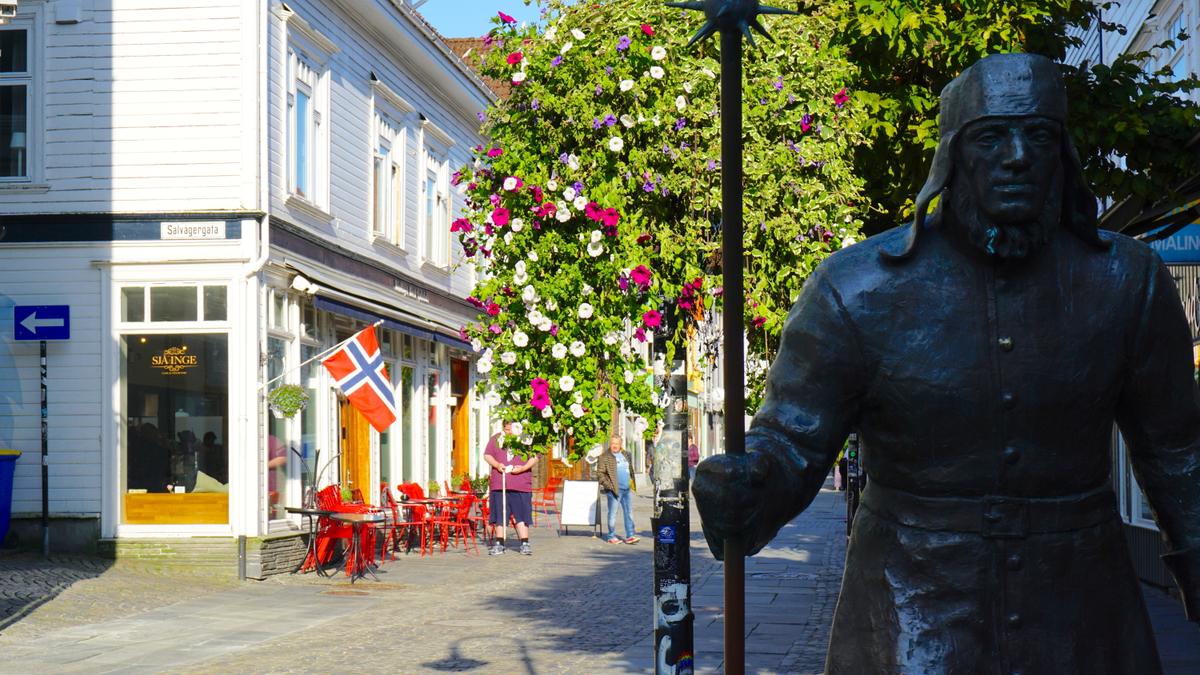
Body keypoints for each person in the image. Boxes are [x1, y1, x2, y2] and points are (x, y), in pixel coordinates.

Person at [693, 53, 1200, 673]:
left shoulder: (1129, 280)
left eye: (1038, 135)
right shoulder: (855, 288)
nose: (1017, 155)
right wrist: (748, 483)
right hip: (909, 600)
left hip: (1082, 604)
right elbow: (792, 440)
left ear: (1062, 154)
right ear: (953, 155)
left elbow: (1176, 449)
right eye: (991, 137)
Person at [484, 421, 538, 555]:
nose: (509, 432)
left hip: (520, 484)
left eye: (511, 429)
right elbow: (487, 455)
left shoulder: (526, 438)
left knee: (522, 515)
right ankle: (499, 543)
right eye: (506, 429)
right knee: (500, 515)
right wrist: (497, 465)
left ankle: (524, 543)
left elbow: (535, 456)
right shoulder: (496, 439)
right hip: (499, 484)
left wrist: (524, 468)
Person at [597, 435, 639, 544]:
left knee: (629, 513)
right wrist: (609, 486)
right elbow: (600, 474)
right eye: (612, 443)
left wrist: (631, 483)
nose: (614, 446)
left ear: (621, 444)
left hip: (626, 489)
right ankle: (611, 536)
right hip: (614, 490)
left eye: (617, 443)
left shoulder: (626, 454)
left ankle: (630, 535)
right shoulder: (604, 457)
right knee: (613, 513)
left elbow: (630, 470)